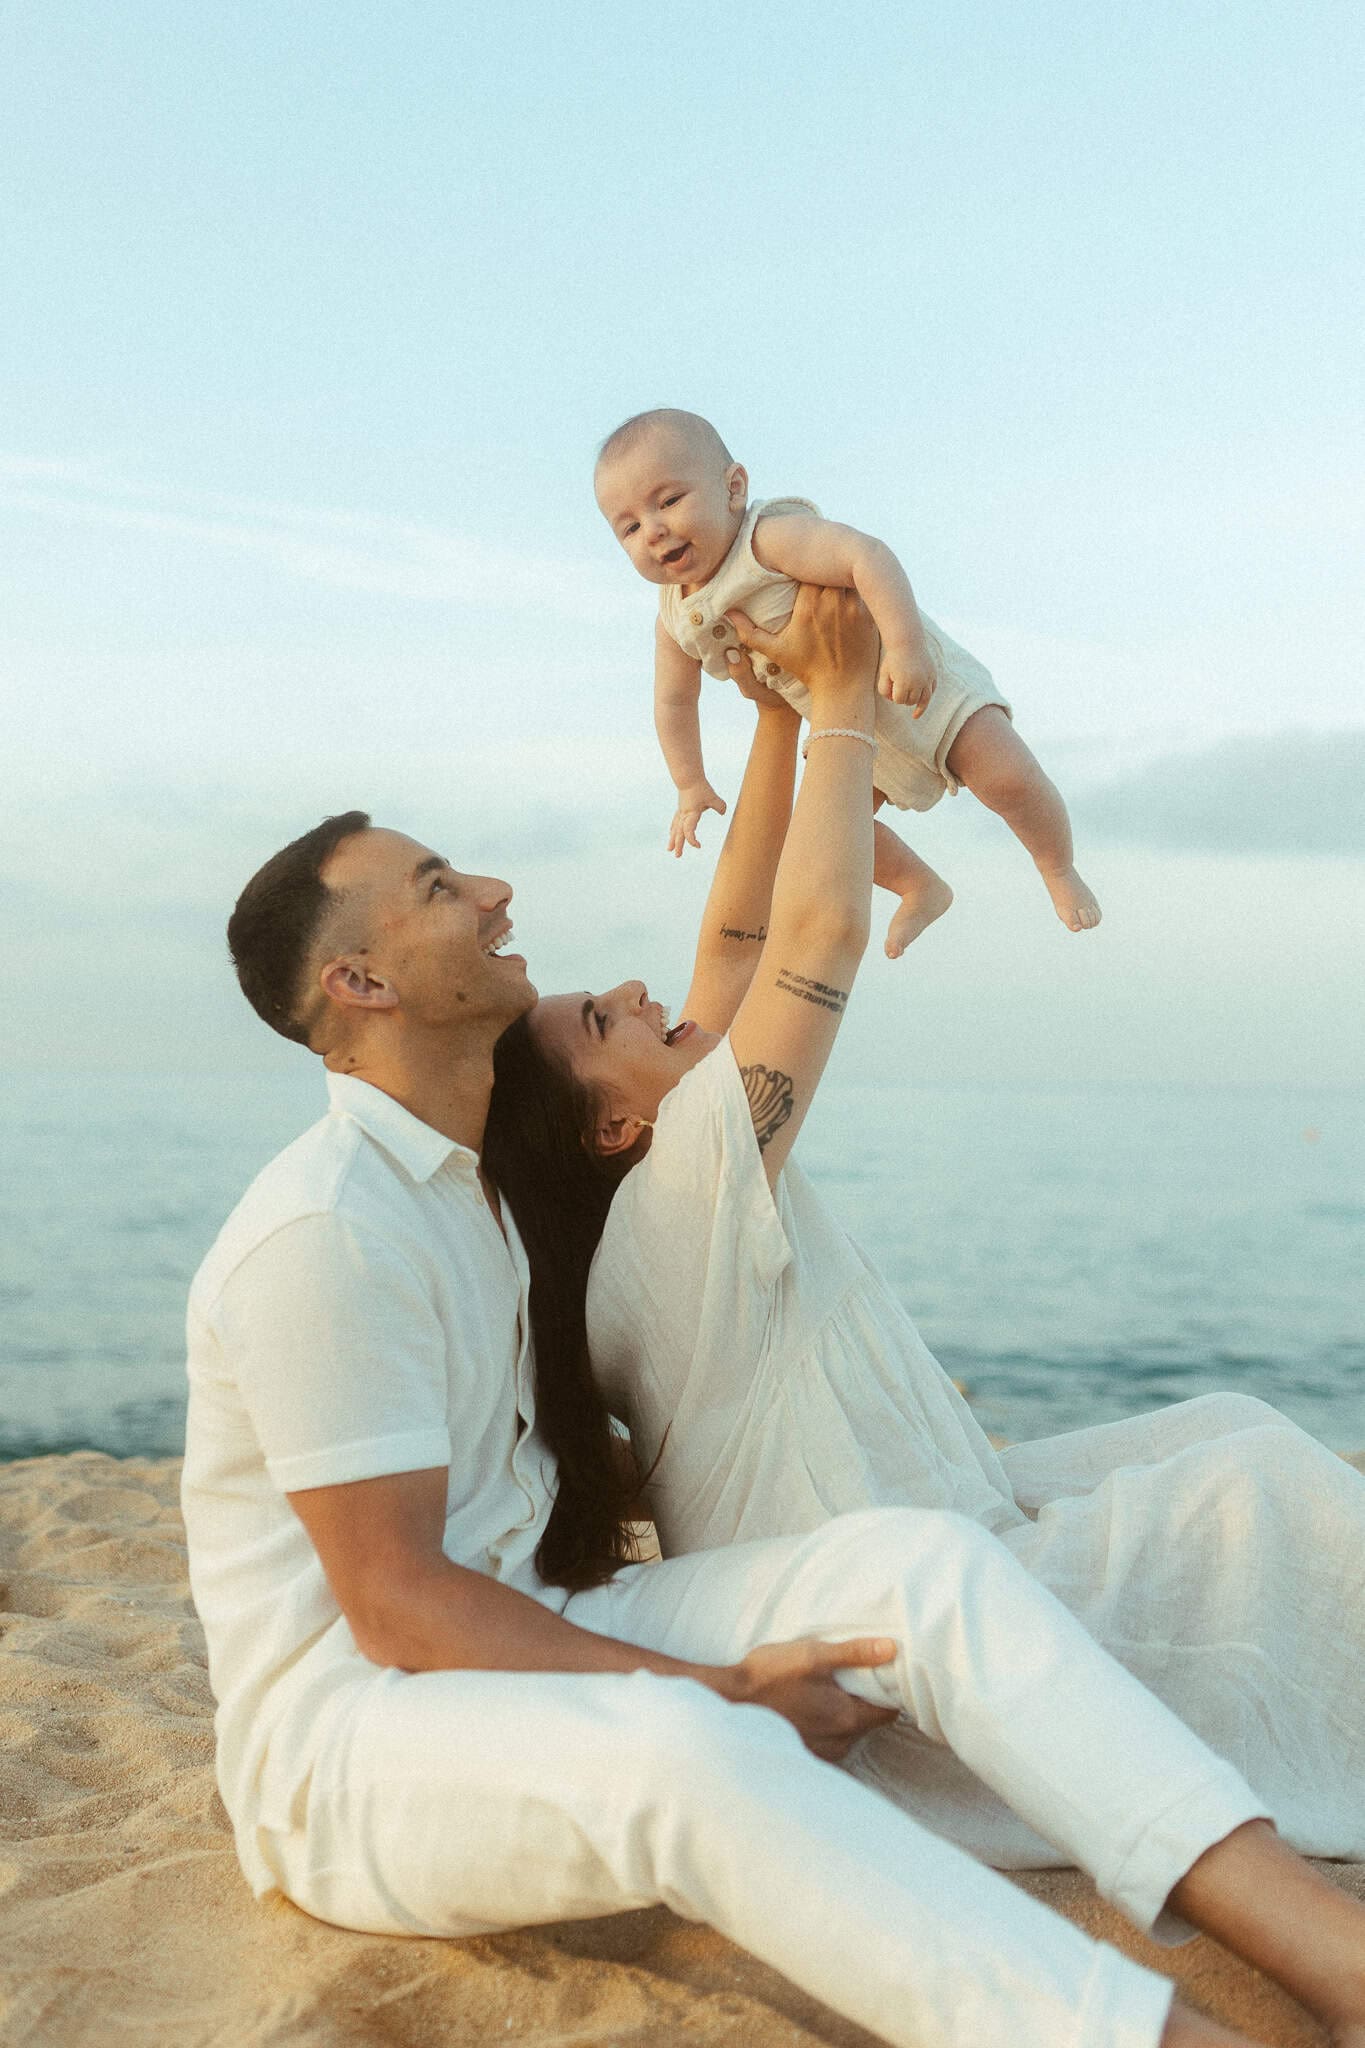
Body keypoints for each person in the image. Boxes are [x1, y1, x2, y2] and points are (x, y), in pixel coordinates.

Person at [182, 599, 1365, 2048]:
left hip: (544, 1628)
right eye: (436, 887)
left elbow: (735, 946)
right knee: (691, 1750)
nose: (492, 890)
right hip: (354, 1740)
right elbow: (397, 1605)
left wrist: (769, 709)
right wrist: (723, 1687)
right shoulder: (324, 1232)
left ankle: (1327, 1949)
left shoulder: (478, 1185)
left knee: (914, 1570)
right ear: (356, 985)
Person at [594, 404, 1100, 950]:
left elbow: (867, 556)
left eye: (669, 501)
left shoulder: (768, 541)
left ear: (733, 488)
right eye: (629, 526)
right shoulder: (673, 620)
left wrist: (906, 647)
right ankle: (917, 886)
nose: (654, 529)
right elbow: (672, 703)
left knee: (1009, 780)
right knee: (829, 838)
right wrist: (689, 783)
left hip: (917, 687)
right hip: (844, 726)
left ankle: (1057, 867)